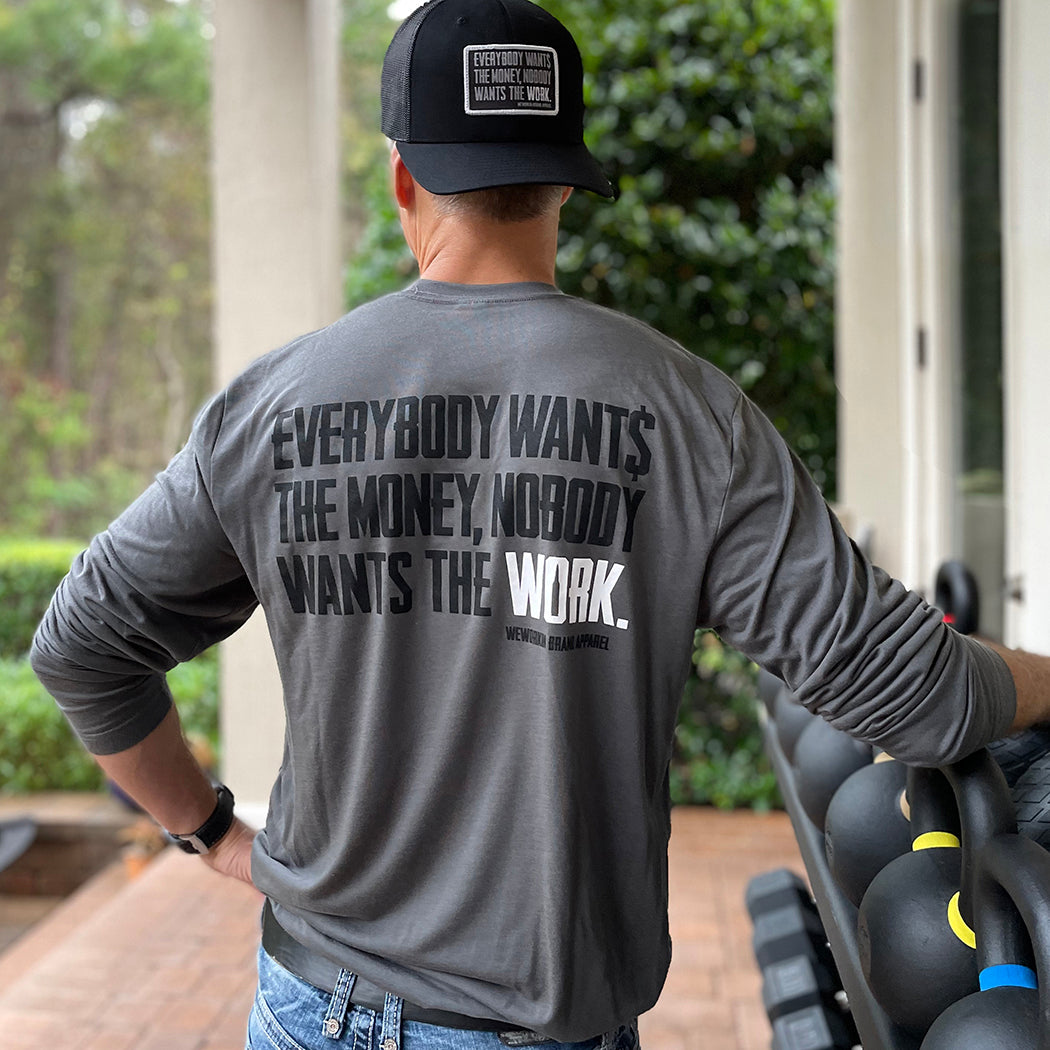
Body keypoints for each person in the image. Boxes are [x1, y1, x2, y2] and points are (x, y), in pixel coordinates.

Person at [27, 0, 1050, 1048]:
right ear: (564, 183)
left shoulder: (271, 407)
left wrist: (206, 829)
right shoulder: (688, 413)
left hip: (308, 1008)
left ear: (402, 178)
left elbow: (79, 649)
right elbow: (913, 692)